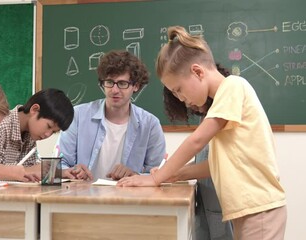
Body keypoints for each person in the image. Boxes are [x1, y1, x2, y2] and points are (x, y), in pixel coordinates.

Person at [118, 26, 286, 240]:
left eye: (178, 89)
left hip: (261, 209)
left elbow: (196, 141)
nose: (179, 98)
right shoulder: (224, 105)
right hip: (250, 210)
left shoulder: (233, 86)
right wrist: (173, 174)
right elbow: (215, 164)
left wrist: (157, 177)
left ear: (197, 72)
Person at [58, 50, 166, 181]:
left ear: (136, 86)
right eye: (109, 82)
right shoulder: (78, 116)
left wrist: (135, 175)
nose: (114, 90)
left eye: (122, 84)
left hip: (128, 198)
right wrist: (73, 171)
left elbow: (158, 172)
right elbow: (60, 164)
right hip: (83, 196)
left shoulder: (150, 124)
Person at [161, 64, 233, 240]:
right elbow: (205, 158)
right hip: (209, 205)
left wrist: (172, 173)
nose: (186, 101)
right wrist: (173, 172)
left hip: (226, 205)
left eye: (182, 92)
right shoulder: (206, 118)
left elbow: (216, 162)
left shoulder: (227, 104)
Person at [0, 88, 74, 178]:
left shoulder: (31, 134)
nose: (48, 134)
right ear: (34, 109)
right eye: (49, 126)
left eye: (54, 132)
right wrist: (32, 170)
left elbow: (33, 168)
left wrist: (62, 173)